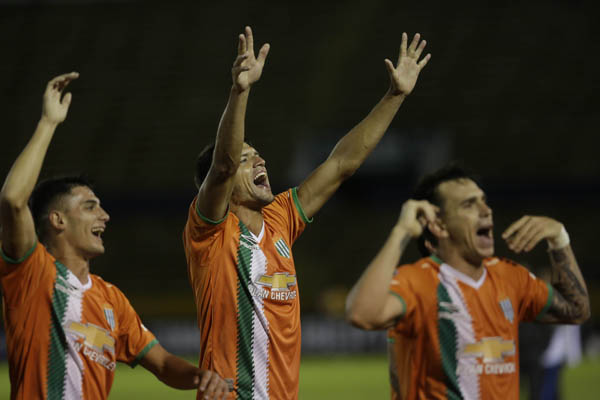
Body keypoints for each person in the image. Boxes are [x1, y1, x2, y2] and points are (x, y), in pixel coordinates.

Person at [183, 26, 431, 399]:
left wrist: (395, 96)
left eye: (257, 154)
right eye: (247, 159)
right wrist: (240, 90)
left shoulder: (281, 217)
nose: (259, 159)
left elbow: (342, 164)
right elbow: (222, 165)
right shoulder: (210, 232)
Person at [0, 73, 231, 400]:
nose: (104, 216)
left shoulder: (111, 300)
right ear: (57, 220)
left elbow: (163, 363)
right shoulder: (31, 274)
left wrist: (200, 376)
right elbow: (12, 200)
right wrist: (48, 123)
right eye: (90, 207)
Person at [345, 164, 590, 399]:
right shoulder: (420, 281)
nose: (486, 210)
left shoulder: (510, 278)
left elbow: (577, 310)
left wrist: (559, 239)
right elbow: (362, 314)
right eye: (469, 204)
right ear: (439, 225)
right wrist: (401, 231)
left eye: (483, 200)